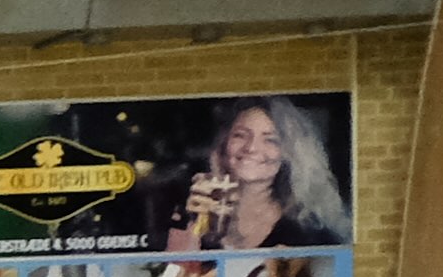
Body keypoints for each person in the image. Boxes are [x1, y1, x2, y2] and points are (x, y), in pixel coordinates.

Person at [145, 95, 353, 254]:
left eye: (271, 140)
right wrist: (194, 226)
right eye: (240, 135)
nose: (251, 148)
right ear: (223, 144)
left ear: (289, 154)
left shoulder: (308, 231)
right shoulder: (186, 209)